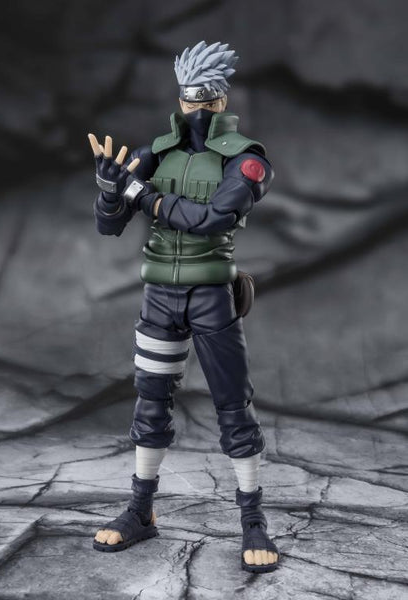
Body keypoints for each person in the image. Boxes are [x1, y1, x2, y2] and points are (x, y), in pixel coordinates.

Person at [87, 40, 280, 573]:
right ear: (179, 98)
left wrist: (141, 195)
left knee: (233, 406)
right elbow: (108, 225)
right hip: (159, 296)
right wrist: (109, 188)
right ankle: (140, 510)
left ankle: (253, 520)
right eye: (189, 98)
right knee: (150, 402)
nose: (196, 108)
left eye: (205, 98)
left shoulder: (247, 160)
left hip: (211, 295)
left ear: (222, 100)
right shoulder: (154, 153)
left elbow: (211, 220)